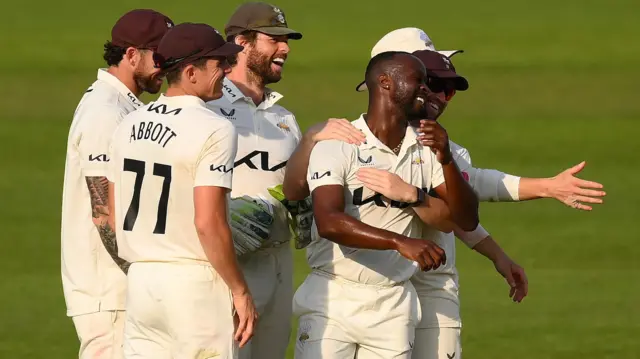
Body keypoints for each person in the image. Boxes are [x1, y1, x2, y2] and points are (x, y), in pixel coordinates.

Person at [351, 28, 606, 359]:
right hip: (372, 289)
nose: (441, 97)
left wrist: (543, 191)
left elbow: (463, 201)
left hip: (432, 286)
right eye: (434, 83)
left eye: (448, 89)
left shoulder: (442, 146)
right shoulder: (355, 143)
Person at [291, 51, 480, 359]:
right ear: (385, 83)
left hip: (394, 305)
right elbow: (328, 221)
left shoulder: (427, 148)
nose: (425, 89)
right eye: (417, 80)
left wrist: (445, 159)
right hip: (333, 297)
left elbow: (465, 219)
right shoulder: (338, 143)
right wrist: (399, 242)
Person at [206, 3, 365, 358]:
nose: (285, 48)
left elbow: (294, 190)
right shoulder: (209, 108)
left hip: (278, 264)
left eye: (286, 39)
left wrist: (311, 141)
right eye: (274, 39)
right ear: (241, 43)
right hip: (228, 269)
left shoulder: (283, 118)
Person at [106, 22, 257, 358]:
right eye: (220, 65)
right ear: (191, 72)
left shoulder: (127, 124)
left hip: (142, 283)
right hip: (195, 287)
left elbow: (114, 215)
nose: (229, 71)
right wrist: (239, 289)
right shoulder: (214, 128)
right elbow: (208, 222)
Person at [60, 9, 173, 359]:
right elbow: (103, 211)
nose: (165, 69)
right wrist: (140, 274)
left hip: (121, 290)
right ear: (130, 55)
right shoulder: (104, 111)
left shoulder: (126, 106)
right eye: (160, 58)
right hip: (110, 294)